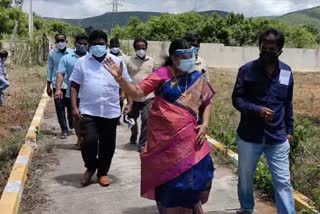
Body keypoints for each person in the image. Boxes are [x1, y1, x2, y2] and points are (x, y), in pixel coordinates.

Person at [104, 39, 215, 214]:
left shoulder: (196, 77)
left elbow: (207, 101)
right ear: (173, 57)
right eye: (183, 56)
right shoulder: (162, 74)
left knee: (194, 176)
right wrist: (120, 79)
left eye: (190, 56)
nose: (188, 59)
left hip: (189, 138)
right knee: (169, 180)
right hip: (164, 140)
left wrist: (205, 124)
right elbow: (138, 92)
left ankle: (191, 207)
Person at [232, 28, 295, 214]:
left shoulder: (286, 72)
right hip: (249, 136)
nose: (267, 52)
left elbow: (288, 103)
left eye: (271, 49)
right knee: (245, 178)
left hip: (277, 137)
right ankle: (246, 209)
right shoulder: (247, 70)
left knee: (283, 181)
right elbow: (237, 99)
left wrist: (289, 130)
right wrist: (257, 110)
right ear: (259, 46)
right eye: (264, 47)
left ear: (280, 50)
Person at [69, 30, 132, 187]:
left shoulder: (117, 61)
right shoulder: (82, 62)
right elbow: (74, 86)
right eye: (95, 43)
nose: (98, 46)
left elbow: (127, 84)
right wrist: (74, 106)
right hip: (88, 110)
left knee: (107, 144)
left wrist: (129, 103)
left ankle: (102, 172)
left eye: (101, 43)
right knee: (89, 141)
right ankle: (90, 168)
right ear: (90, 45)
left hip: (110, 111)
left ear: (106, 45)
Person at [55, 34, 89, 150]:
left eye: (85, 44)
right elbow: (60, 74)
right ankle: (80, 138)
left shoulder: (92, 58)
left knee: (89, 118)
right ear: (75, 44)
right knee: (77, 118)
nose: (83, 46)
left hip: (90, 94)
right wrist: (58, 89)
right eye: (80, 43)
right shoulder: (66, 58)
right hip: (73, 94)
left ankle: (89, 139)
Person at [124, 38, 156, 152]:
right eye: (138, 48)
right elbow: (125, 79)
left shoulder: (152, 61)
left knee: (146, 119)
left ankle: (142, 143)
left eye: (143, 48)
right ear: (134, 48)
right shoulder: (128, 61)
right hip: (133, 96)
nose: (141, 50)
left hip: (149, 96)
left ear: (146, 48)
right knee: (131, 118)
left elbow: (156, 77)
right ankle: (134, 134)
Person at [47, 33, 74, 139]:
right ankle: (64, 129)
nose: (60, 43)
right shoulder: (52, 54)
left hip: (70, 84)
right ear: (55, 42)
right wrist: (48, 85)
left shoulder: (72, 53)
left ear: (66, 41)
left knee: (72, 107)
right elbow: (50, 69)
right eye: (58, 41)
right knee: (60, 108)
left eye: (62, 40)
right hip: (57, 85)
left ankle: (71, 122)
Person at [109, 38, 127, 125]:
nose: (115, 48)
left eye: (116, 46)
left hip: (120, 84)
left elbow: (125, 74)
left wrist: (123, 90)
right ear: (109, 47)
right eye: (113, 46)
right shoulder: (106, 56)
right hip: (109, 84)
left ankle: (117, 118)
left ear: (119, 47)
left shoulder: (124, 58)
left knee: (120, 100)